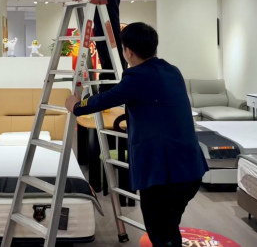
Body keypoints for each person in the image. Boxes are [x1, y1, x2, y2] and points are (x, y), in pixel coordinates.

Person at [65, 23, 208, 247]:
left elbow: (104, 99)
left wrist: (76, 105)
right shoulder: (173, 71)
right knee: (168, 227)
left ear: (128, 52)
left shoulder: (136, 77)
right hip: (190, 169)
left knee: (160, 231)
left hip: (163, 176)